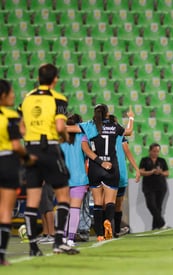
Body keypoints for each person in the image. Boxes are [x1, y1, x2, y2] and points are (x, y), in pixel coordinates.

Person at [20, 64, 79, 255]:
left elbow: (21, 127)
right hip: (50, 148)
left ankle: (33, 247)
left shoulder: (27, 99)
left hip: (30, 149)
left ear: (38, 78)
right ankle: (59, 241)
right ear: (55, 79)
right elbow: (61, 125)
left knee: (32, 199)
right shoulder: (58, 98)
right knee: (63, 195)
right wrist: (65, 138)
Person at [67, 104, 134, 241]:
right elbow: (129, 131)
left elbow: (68, 128)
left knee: (97, 202)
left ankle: (99, 235)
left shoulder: (89, 126)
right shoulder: (114, 126)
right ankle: (108, 221)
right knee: (110, 201)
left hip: (95, 167)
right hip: (111, 167)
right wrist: (131, 118)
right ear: (107, 113)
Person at [0, 79, 36, 266]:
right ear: (4, 96)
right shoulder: (9, 115)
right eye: (11, 92)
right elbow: (16, 145)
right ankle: (1, 256)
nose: (14, 95)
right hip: (6, 162)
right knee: (5, 210)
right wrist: (28, 157)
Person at [60, 114, 89, 247]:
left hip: (64, 178)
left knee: (64, 209)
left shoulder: (60, 139)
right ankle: (71, 238)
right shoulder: (83, 137)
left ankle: (63, 236)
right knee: (75, 209)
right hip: (79, 178)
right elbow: (87, 157)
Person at [111, 115, 140, 237]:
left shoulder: (98, 135)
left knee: (104, 202)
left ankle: (102, 231)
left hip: (103, 172)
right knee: (118, 203)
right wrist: (137, 169)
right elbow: (127, 152)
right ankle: (116, 230)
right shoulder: (119, 136)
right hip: (120, 172)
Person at [139, 143, 169, 230]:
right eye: (154, 151)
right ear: (150, 151)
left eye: (157, 151)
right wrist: (151, 172)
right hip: (148, 186)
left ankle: (155, 227)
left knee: (158, 207)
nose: (156, 153)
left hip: (161, 186)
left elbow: (167, 173)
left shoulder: (162, 160)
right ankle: (162, 223)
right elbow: (141, 172)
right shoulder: (144, 160)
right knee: (151, 205)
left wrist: (160, 172)